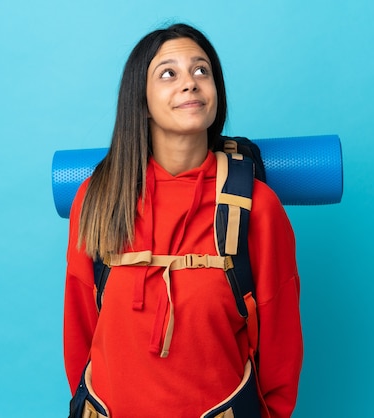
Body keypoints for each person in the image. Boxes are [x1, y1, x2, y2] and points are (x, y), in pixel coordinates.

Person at [63, 23, 303, 418]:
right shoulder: (98, 197)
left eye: (201, 70)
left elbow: (280, 347)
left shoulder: (257, 207)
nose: (190, 83)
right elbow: (80, 329)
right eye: (168, 73)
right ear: (139, 97)